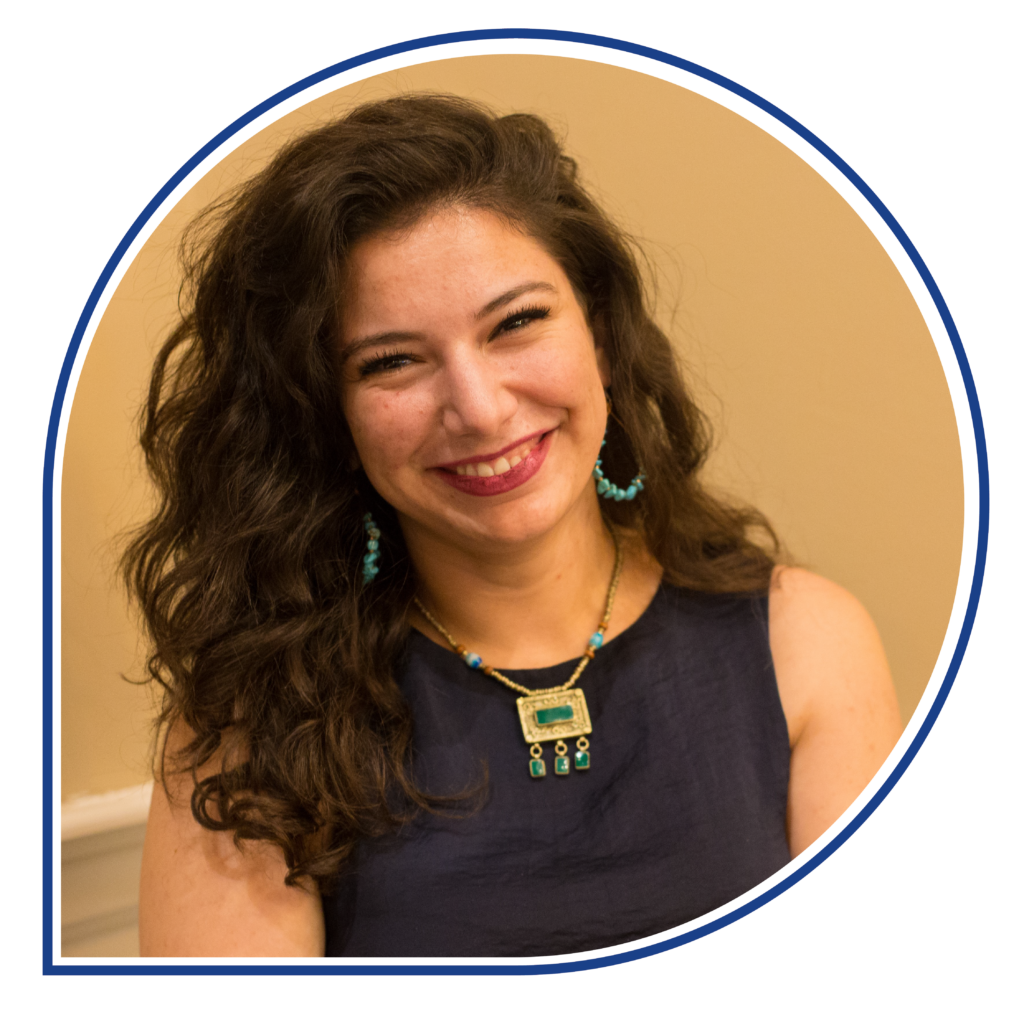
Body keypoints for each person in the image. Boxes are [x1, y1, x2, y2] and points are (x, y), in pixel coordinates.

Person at [127, 94, 902, 959]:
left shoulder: (805, 643)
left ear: (601, 335)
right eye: (392, 362)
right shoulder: (250, 727)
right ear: (324, 417)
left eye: (517, 323)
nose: (481, 409)